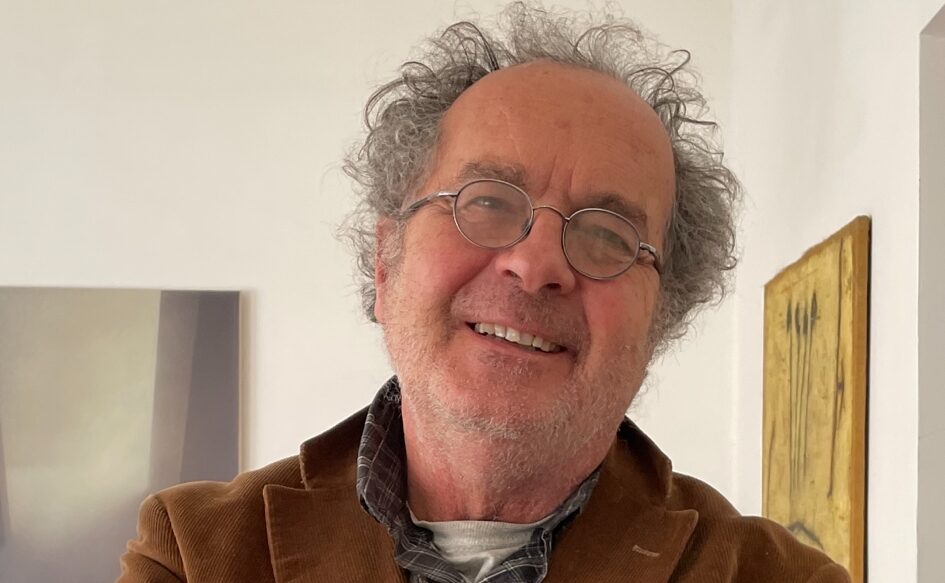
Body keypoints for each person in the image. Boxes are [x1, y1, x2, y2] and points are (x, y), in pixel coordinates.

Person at [118, 4, 851, 582]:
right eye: (487, 201)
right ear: (386, 262)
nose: (535, 265)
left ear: (660, 318)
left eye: (607, 234)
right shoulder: (195, 554)